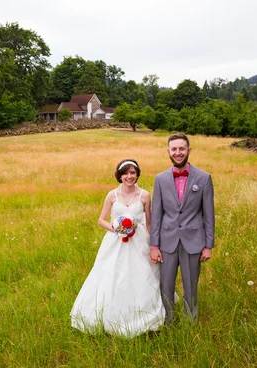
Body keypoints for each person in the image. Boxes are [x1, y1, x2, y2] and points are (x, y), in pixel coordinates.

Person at [70, 159, 165, 337]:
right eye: (126, 173)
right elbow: (101, 220)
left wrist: (154, 245)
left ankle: (144, 316)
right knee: (110, 275)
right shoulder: (112, 195)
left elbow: (150, 223)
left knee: (141, 275)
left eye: (133, 173)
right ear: (119, 176)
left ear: (137, 175)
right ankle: (106, 315)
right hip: (115, 241)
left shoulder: (144, 195)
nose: (129, 176)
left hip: (139, 241)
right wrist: (117, 228)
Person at [150, 133, 214, 323]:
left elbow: (208, 214)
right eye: (174, 149)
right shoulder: (160, 179)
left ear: (189, 150)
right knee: (165, 286)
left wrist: (208, 245)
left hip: (194, 242)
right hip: (167, 242)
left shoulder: (203, 178)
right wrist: (154, 246)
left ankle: (190, 322)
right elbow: (156, 214)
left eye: (182, 149)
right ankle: (167, 320)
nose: (178, 153)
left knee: (190, 285)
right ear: (168, 151)